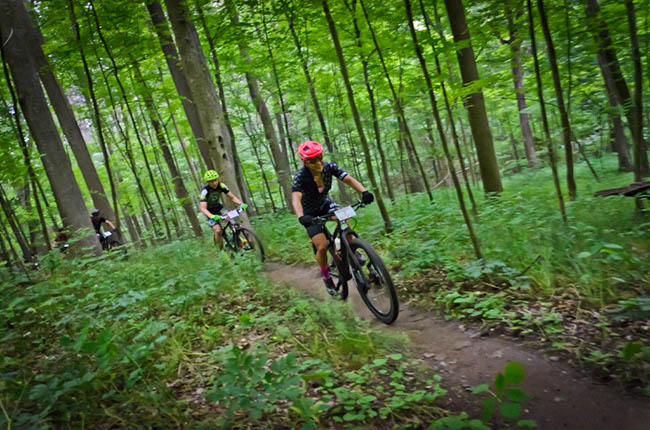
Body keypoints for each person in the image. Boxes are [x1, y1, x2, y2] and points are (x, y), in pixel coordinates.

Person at [291, 140, 374, 294]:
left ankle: (352, 249)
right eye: (313, 160)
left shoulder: (329, 167)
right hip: (309, 213)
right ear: (306, 162)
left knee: (343, 218)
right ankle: (326, 277)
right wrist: (301, 216)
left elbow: (348, 178)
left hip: (325, 204)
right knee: (322, 247)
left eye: (320, 157)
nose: (318, 162)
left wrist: (364, 192)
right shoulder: (301, 177)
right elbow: (296, 198)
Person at [199, 170, 247, 249]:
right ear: (208, 182)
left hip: (218, 207)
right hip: (209, 211)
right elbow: (203, 208)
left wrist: (241, 204)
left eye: (215, 180)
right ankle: (220, 250)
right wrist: (211, 216)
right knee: (218, 231)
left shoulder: (221, 186)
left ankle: (237, 239)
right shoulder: (205, 191)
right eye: (211, 181)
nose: (214, 183)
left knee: (230, 218)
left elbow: (232, 197)